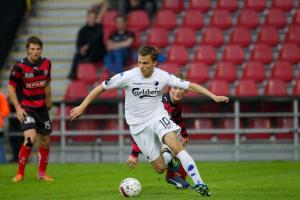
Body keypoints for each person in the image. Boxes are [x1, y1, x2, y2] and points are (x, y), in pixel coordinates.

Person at [70, 45, 229, 196]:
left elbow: (190, 86)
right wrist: (82, 106)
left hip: (157, 116)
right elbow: (101, 87)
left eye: (145, 63)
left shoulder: (162, 76)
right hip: (137, 125)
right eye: (139, 62)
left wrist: (213, 96)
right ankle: (168, 157)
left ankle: (199, 182)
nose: (141, 66)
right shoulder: (128, 76)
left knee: (176, 145)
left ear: (154, 63)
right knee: (160, 168)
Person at [127, 82, 191, 189]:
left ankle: (177, 179)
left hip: (161, 135)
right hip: (149, 136)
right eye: (175, 87)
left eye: (181, 89)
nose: (178, 91)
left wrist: (184, 135)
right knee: (161, 167)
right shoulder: (161, 104)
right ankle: (172, 175)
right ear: (170, 88)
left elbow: (178, 119)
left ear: (186, 91)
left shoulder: (177, 104)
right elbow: (143, 128)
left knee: (179, 151)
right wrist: (134, 154)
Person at [8, 36, 53, 182]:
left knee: (45, 140)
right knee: (30, 138)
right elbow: (11, 87)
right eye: (32, 49)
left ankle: (41, 173)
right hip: (27, 108)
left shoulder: (46, 63)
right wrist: (17, 108)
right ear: (27, 50)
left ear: (41, 50)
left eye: (38, 49)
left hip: (42, 108)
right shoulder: (19, 67)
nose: (35, 52)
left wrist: (49, 100)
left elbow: (47, 83)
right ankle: (20, 173)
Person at [68, 9, 106, 79]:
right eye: (90, 18)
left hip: (98, 53)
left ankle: (88, 59)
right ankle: (73, 73)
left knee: (97, 45)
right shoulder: (82, 30)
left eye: (94, 18)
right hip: (87, 53)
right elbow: (78, 44)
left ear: (96, 18)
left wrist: (87, 46)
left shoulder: (99, 27)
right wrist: (80, 49)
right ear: (87, 18)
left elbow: (97, 38)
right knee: (77, 55)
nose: (92, 19)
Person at [0, 90, 10, 163]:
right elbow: (6, 111)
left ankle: (2, 163)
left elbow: (6, 111)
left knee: (0, 146)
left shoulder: (1, 96)